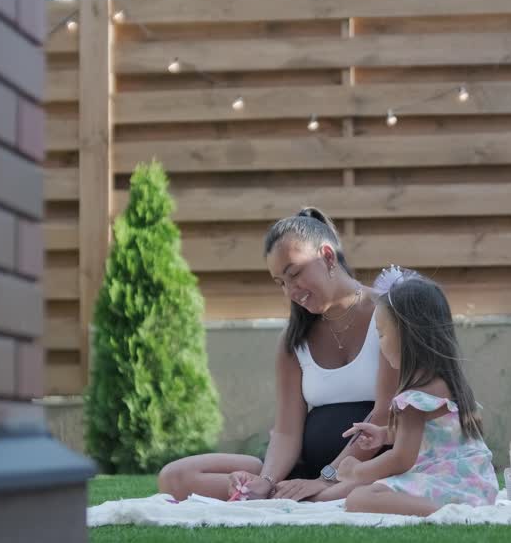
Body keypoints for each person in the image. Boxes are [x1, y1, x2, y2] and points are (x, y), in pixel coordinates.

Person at [157, 208, 398, 502]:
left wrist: (327, 478)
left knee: (346, 491)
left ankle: (311, 493)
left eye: (294, 274)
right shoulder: (294, 340)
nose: (290, 292)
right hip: (308, 472)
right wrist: (267, 480)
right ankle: (277, 492)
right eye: (280, 283)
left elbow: (384, 414)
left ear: (327, 256)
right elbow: (286, 432)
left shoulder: (389, 315)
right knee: (175, 477)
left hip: (372, 467)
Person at [325, 271, 498, 516]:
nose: (380, 344)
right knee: (368, 492)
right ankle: (453, 509)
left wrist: (357, 471)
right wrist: (385, 435)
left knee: (359, 497)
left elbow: (400, 460)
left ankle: (448, 513)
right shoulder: (447, 383)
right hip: (478, 486)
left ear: (408, 335)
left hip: (449, 486)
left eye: (382, 334)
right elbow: (433, 436)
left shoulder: (414, 398)